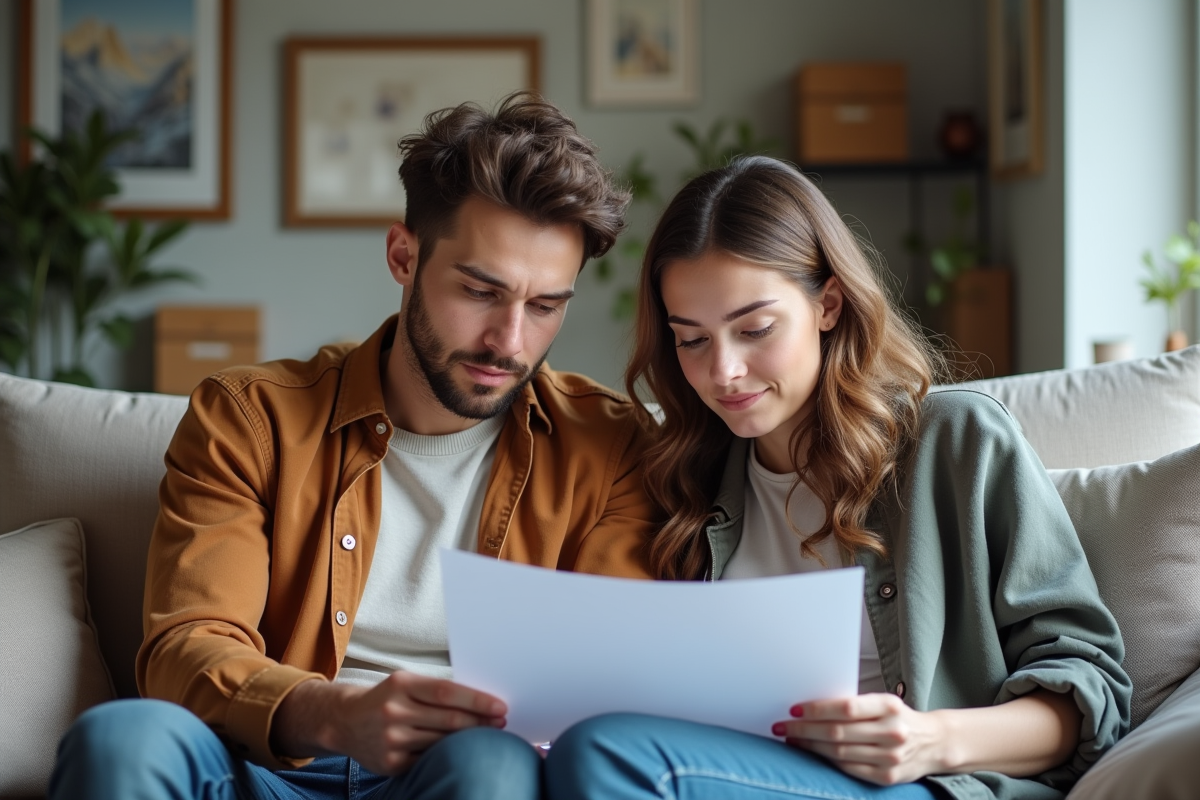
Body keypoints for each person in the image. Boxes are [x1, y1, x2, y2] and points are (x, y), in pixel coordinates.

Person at [49, 93, 662, 800]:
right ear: (404, 256)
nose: (510, 341)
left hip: (456, 774)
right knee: (119, 740)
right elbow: (187, 648)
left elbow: (608, 685)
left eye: (547, 305)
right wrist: (336, 715)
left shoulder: (610, 446)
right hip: (266, 767)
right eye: (479, 290)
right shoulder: (250, 418)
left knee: (490, 765)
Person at [543, 156, 1131, 800]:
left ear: (828, 304)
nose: (724, 372)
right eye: (693, 340)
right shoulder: (686, 477)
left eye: (755, 329)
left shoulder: (955, 441)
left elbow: (1091, 690)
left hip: (929, 784)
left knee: (608, 757)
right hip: (741, 775)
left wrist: (927, 739)